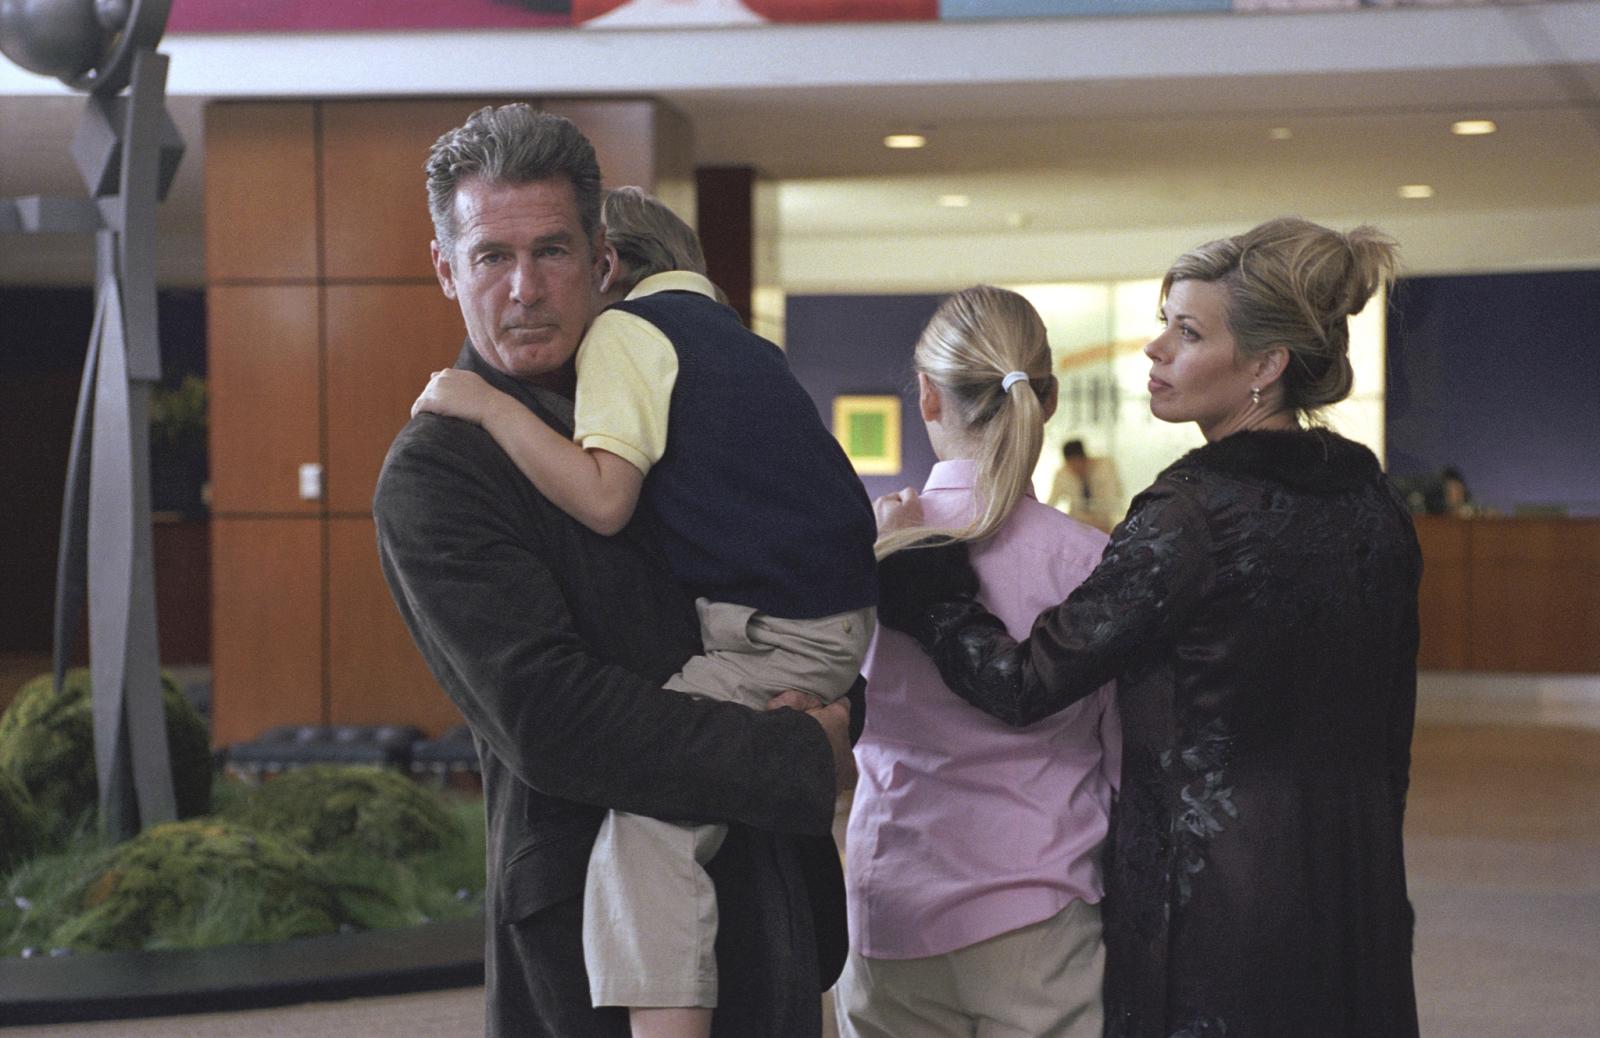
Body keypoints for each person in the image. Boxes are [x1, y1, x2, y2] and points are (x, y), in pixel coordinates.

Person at [373, 104, 856, 1038]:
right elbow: (555, 721)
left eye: (551, 251)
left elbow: (797, 577)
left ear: (601, 259)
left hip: (764, 897)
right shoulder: (439, 471)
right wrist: (802, 752)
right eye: (491, 256)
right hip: (600, 947)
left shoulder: (682, 387)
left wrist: (840, 703)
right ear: (446, 269)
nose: (524, 289)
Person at [876, 217, 1422, 1038]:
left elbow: (1023, 683)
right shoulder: (1373, 507)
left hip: (1216, 904)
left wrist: (927, 585)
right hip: (1353, 880)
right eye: (1165, 322)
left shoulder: (1193, 517)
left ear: (1265, 366)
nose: (1154, 348)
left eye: (1187, 332)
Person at [835, 286, 1120, 1038]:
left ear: (928, 396)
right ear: (1047, 400)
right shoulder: (1091, 562)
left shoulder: (865, 552)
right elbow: (1123, 758)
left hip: (890, 906)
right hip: (1041, 910)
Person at [1046, 438, 1125, 533]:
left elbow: (1115, 499)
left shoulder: (1105, 467)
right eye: (1071, 465)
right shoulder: (1062, 474)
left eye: (1078, 463)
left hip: (1104, 523)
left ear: (1084, 458)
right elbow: (1052, 501)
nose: (1076, 468)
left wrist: (1099, 519)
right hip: (1077, 524)